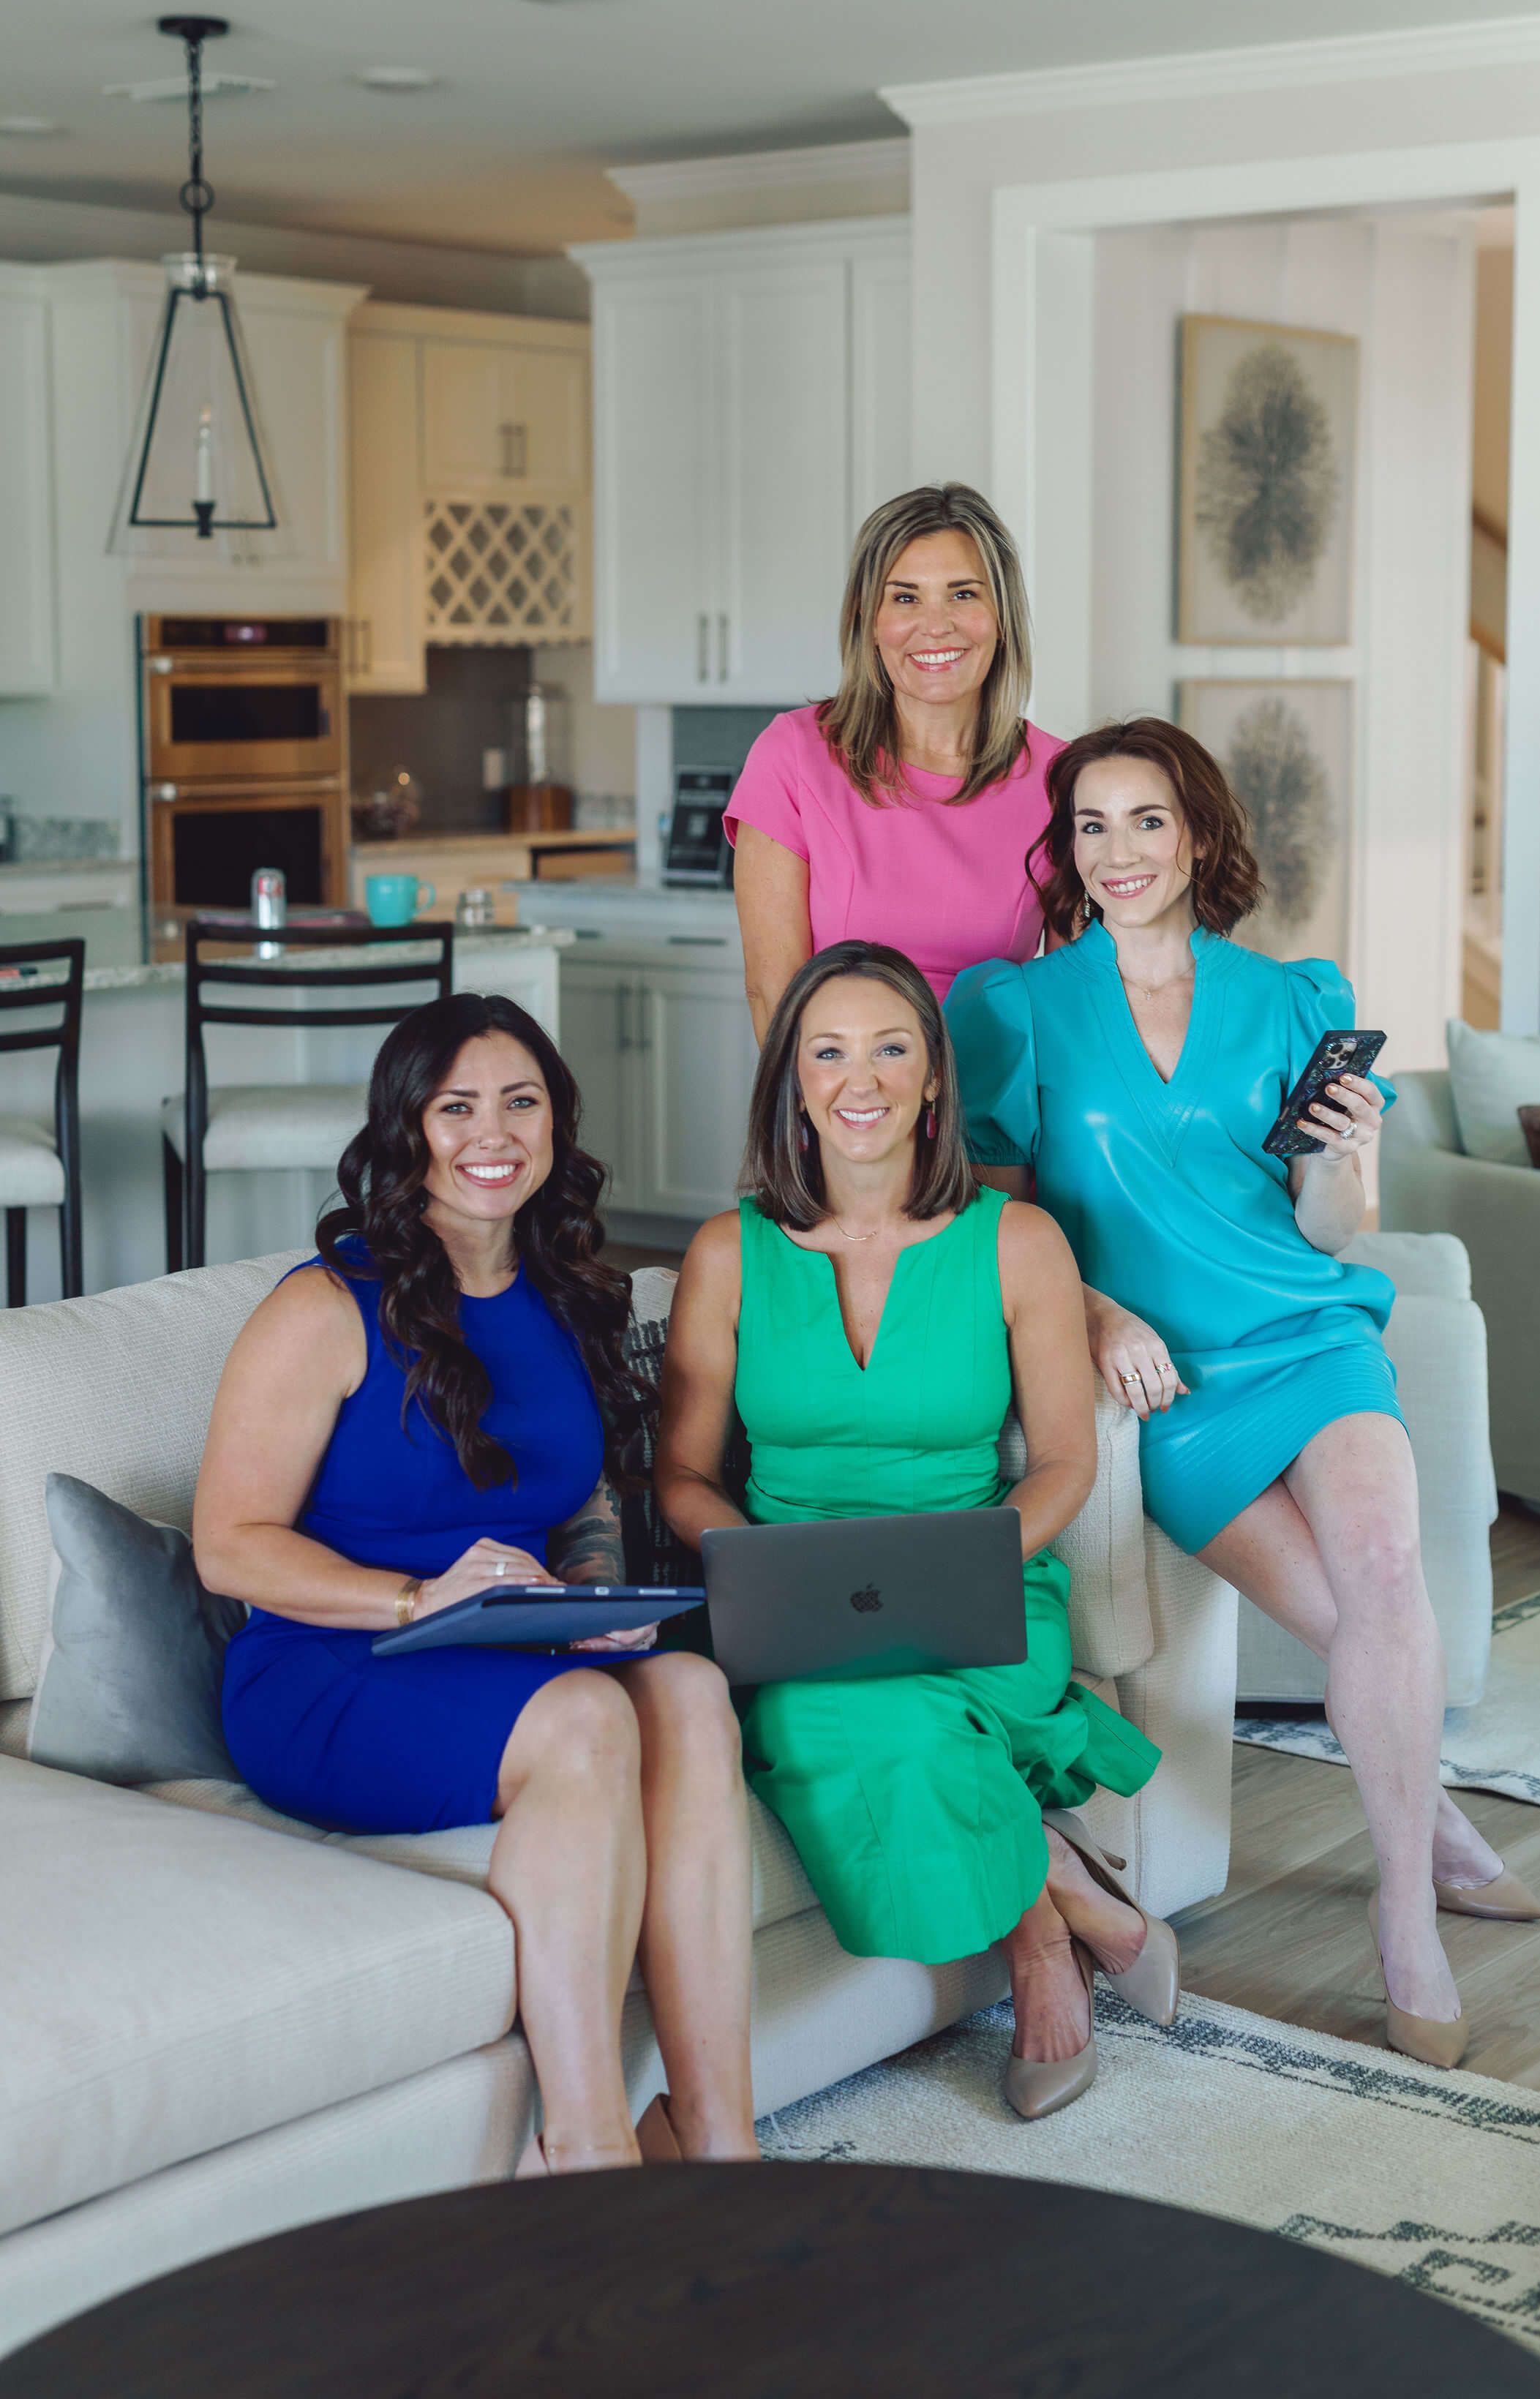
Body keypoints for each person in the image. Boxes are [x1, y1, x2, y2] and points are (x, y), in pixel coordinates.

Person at [946, 718, 1540, 2072]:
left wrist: (1355, 1152)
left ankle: (1404, 1919)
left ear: (1199, 834)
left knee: (1386, 1572)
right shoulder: (1014, 1011)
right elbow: (1002, 1218)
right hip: (1171, 1388)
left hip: (1309, 1334)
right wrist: (1093, 1312)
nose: (1118, 852)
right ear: (1068, 850)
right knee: (1351, 1623)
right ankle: (1437, 1827)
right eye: (1091, 826)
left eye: (1145, 820)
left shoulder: (1295, 999)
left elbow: (1334, 1228)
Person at [194, 991, 756, 2174]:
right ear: (408, 1127)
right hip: (329, 1667)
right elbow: (229, 1545)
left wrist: (592, 1595)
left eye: (520, 1102)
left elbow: (575, 1500)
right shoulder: (324, 1306)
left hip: (500, 1652)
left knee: (694, 1694)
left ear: (555, 1123)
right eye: (457, 1107)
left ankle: (715, 2138)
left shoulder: (563, 1290)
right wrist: (415, 1600)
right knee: (591, 1722)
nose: (492, 1132)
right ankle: (587, 2148)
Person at [655, 938, 1175, 2123]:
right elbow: (680, 1474)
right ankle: (1057, 1917)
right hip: (797, 1602)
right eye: (828, 1053)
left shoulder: (1019, 1243)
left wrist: (980, 1555)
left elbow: (1063, 1459)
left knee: (912, 1697)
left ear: (935, 1079)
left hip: (979, 1580)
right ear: (792, 1081)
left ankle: (1045, 1943)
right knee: (844, 1709)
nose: (862, 1079)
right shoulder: (728, 1255)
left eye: (892, 1050)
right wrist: (750, 1565)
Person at [726, 483, 1063, 1035]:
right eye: (905, 597)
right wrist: (831, 1117)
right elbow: (773, 993)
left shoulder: (1060, 778)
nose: (936, 625)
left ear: (1001, 615)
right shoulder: (793, 755)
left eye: (963, 594)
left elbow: (1073, 995)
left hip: (995, 1112)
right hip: (845, 1105)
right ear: (869, 618)